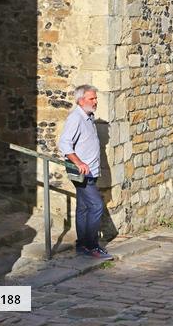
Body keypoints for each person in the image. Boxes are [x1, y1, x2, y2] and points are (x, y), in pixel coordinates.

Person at [58, 84, 113, 259]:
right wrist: (78, 162)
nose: (95, 101)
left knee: (83, 207)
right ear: (81, 101)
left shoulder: (88, 117)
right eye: (92, 98)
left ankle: (82, 245)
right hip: (82, 172)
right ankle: (92, 245)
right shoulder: (76, 118)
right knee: (96, 206)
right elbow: (64, 144)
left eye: (96, 98)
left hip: (91, 171)